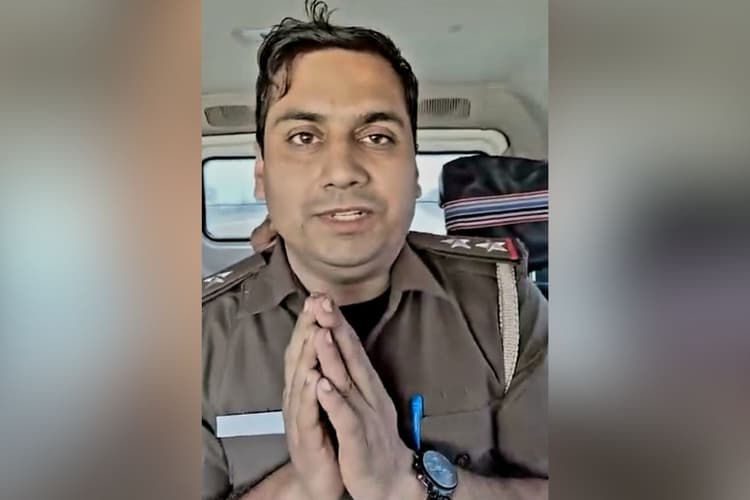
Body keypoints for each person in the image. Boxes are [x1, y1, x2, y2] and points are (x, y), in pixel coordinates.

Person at [202, 2, 548, 499]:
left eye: (377, 136)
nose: (343, 171)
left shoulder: (505, 307)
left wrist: (407, 485)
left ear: (414, 170)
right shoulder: (195, 341)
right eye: (304, 136)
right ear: (261, 173)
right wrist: (301, 487)